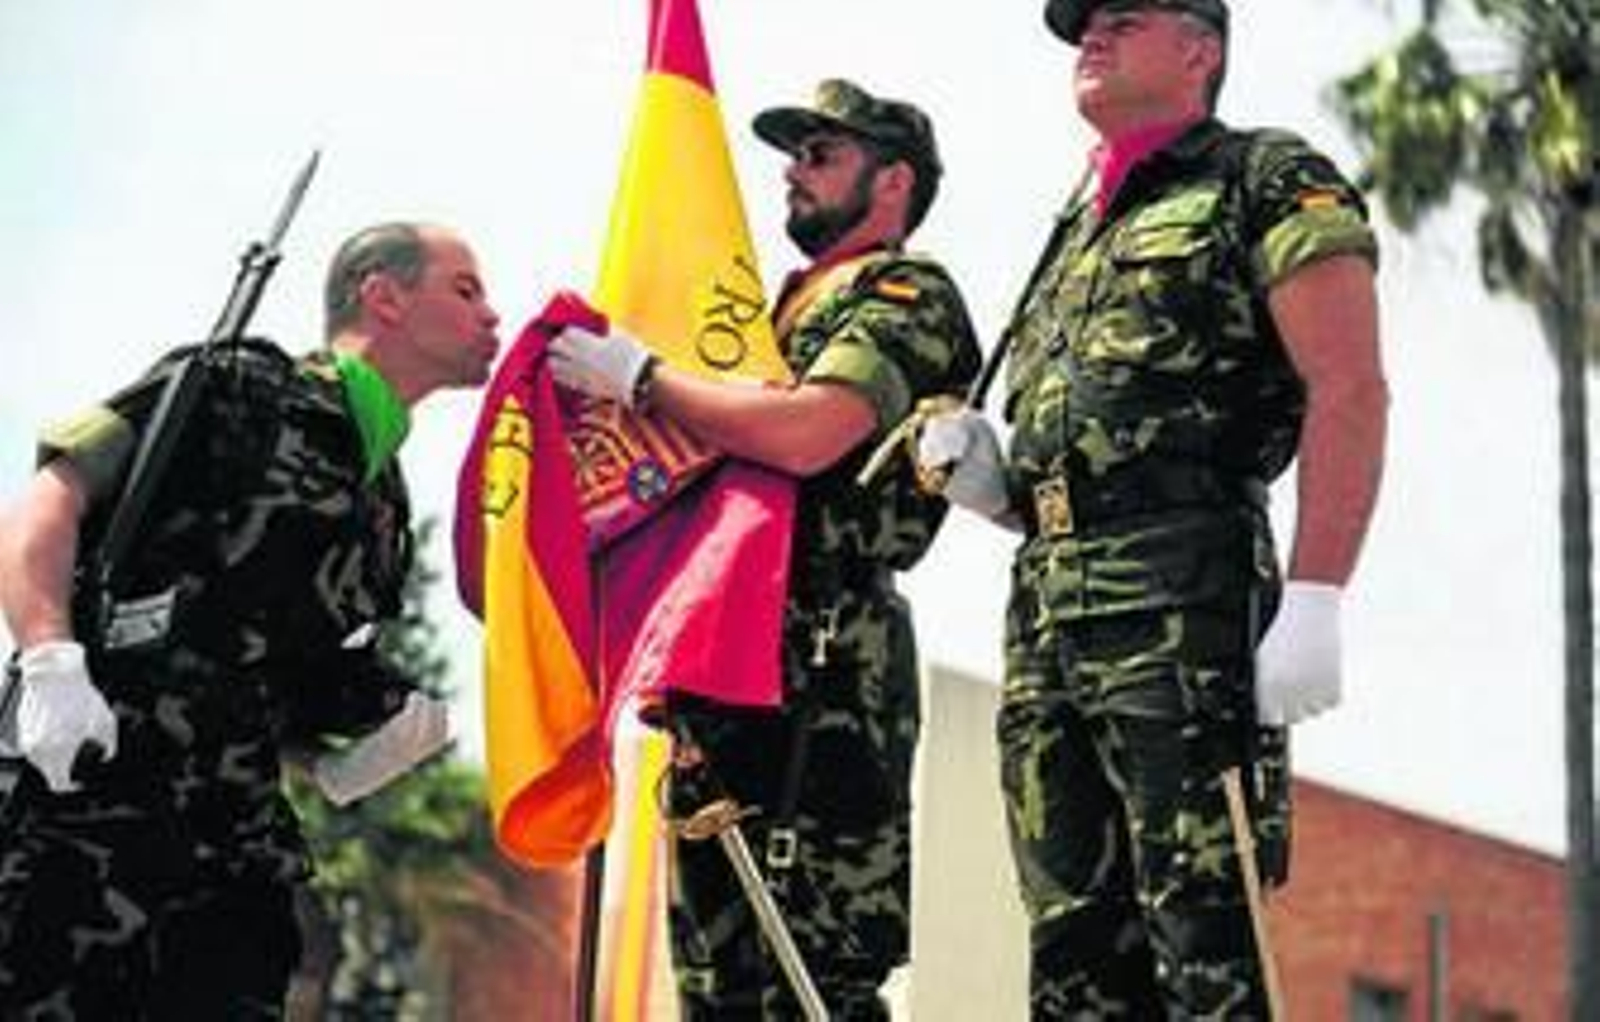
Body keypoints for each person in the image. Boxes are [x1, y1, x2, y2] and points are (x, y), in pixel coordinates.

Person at [916, 0, 1388, 1016]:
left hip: (1184, 594)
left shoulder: (1263, 176)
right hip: (1046, 606)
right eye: (1083, 23)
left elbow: (1348, 385)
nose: (1089, 36)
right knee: (1072, 947)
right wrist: (989, 481)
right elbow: (1086, 444)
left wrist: (1316, 593)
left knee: (1203, 935)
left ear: (1198, 48)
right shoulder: (1074, 221)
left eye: (1120, 17)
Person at [550, 78, 982, 1019]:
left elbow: (808, 433)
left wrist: (643, 379)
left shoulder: (907, 293)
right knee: (720, 988)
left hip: (823, 675)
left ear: (893, 182)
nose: (793, 172)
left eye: (822, 155)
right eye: (793, 154)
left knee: (806, 978)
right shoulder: (762, 316)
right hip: (727, 675)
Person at [0, 221, 501, 1018]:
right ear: (384, 297)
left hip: (231, 858)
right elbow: (52, 497)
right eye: (466, 290)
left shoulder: (384, 504)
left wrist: (383, 715)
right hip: (92, 814)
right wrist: (49, 658)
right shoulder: (242, 386)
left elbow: (291, 679)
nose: (492, 317)